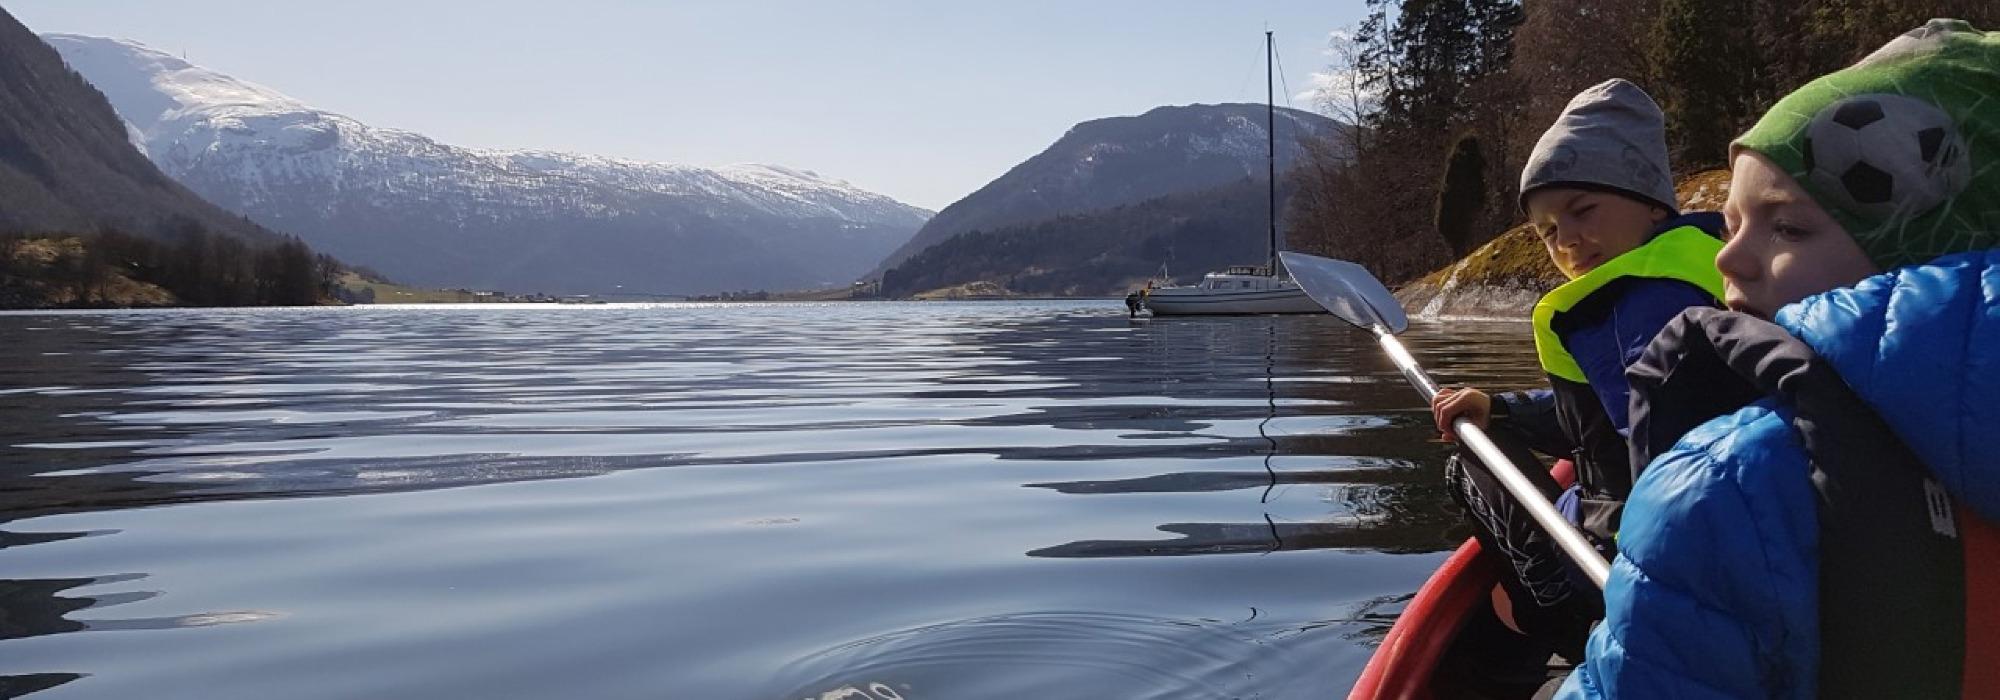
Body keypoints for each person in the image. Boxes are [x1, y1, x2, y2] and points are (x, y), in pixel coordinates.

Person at [1562, 19, 2000, 699]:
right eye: (1730, 223)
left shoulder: (1724, 483)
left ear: (1928, 252)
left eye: (1788, 226)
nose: (1725, 258)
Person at [1430, 79, 1727, 663]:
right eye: (1547, 231)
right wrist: (1504, 407)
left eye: (1582, 210)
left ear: (1651, 202)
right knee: (1491, 431)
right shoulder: (1696, 268)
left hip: (1619, 573)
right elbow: (1602, 422)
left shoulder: (1638, 306)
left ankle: (1561, 623)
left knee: (1468, 463)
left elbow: (1662, 462)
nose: (1567, 241)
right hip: (1629, 532)